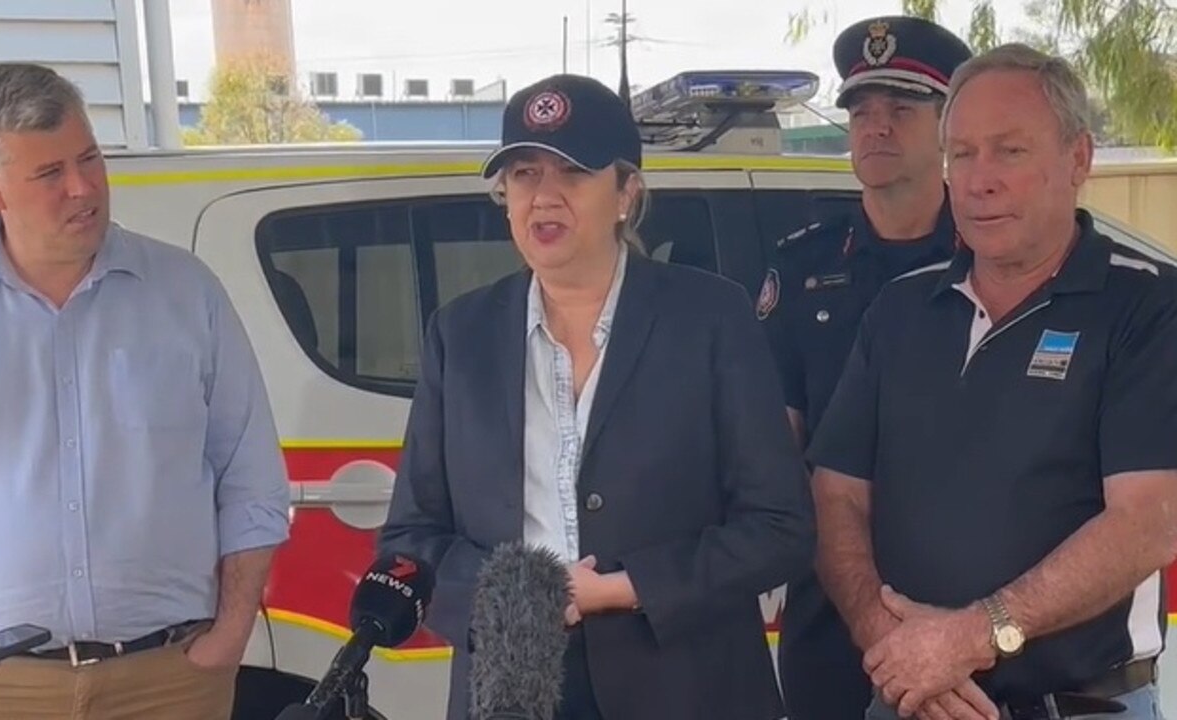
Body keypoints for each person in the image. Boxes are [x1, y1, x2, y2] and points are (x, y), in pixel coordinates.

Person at [377, 73, 814, 720]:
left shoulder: (710, 318)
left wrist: (623, 588)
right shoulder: (460, 334)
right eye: (523, 174)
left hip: (686, 684)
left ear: (626, 193)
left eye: (573, 174)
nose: (544, 197)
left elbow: (780, 529)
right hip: (514, 685)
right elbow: (411, 538)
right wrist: (515, 597)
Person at [0, 63, 290, 719]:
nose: (82, 188)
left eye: (89, 158)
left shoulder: (187, 293)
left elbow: (250, 473)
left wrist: (231, 633)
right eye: (49, 173)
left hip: (169, 679)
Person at [808, 43, 1177, 720]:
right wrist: (892, 645)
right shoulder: (899, 310)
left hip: (1079, 706)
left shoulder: (1149, 306)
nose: (979, 181)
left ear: (1079, 159)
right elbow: (836, 495)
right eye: (963, 154)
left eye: (1009, 151)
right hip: (906, 697)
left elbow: (1150, 521)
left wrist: (971, 636)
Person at [758, 16, 975, 720]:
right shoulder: (804, 264)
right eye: (861, 112)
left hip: (968, 599)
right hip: (832, 601)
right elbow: (777, 436)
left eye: (901, 110)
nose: (876, 128)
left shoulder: (993, 259)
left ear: (947, 128)